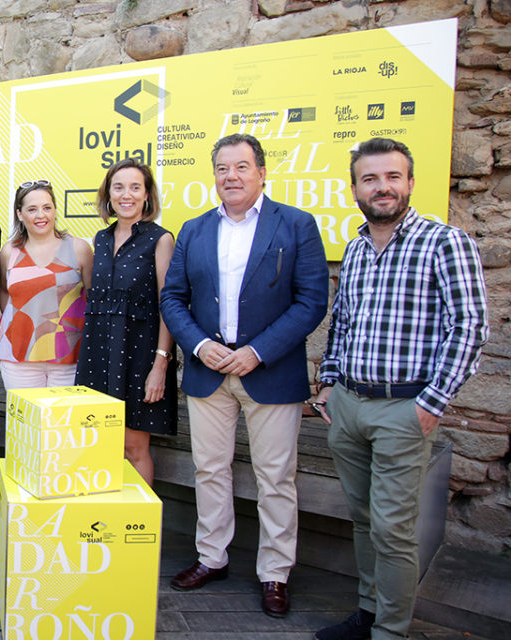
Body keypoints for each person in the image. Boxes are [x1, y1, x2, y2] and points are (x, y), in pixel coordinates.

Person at [311, 138, 488, 640]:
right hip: (349, 405)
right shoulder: (357, 247)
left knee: (393, 529)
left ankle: (390, 630)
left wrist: (432, 403)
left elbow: (470, 327)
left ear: (410, 183)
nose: (381, 187)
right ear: (354, 189)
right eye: (370, 179)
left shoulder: (444, 242)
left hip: (405, 408)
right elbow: (344, 321)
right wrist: (328, 383)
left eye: (392, 177)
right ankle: (368, 613)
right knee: (365, 520)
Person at [160, 133, 329, 617]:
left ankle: (275, 572)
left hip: (269, 372)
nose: (230, 177)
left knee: (276, 476)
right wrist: (200, 344)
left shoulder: (296, 225)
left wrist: (257, 351)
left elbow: (311, 301)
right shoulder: (193, 230)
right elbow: (173, 297)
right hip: (208, 372)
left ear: (261, 172)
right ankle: (211, 557)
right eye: (222, 169)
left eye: (240, 167)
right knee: (209, 470)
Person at [74, 158, 177, 487]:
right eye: (118, 187)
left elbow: (168, 305)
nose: (126, 194)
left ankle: (138, 526)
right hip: (99, 354)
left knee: (134, 446)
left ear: (147, 195)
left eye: (135, 187)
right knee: (99, 444)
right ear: (108, 194)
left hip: (139, 356)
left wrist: (160, 365)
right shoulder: (100, 240)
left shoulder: (160, 240)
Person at [0, 180, 93, 389]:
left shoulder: (79, 249)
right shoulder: (9, 252)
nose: (41, 215)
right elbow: (5, 293)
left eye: (47, 207)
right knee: (25, 422)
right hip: (18, 358)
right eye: (32, 209)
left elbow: (94, 301)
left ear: (55, 210)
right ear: (20, 214)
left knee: (64, 421)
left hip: (69, 356)